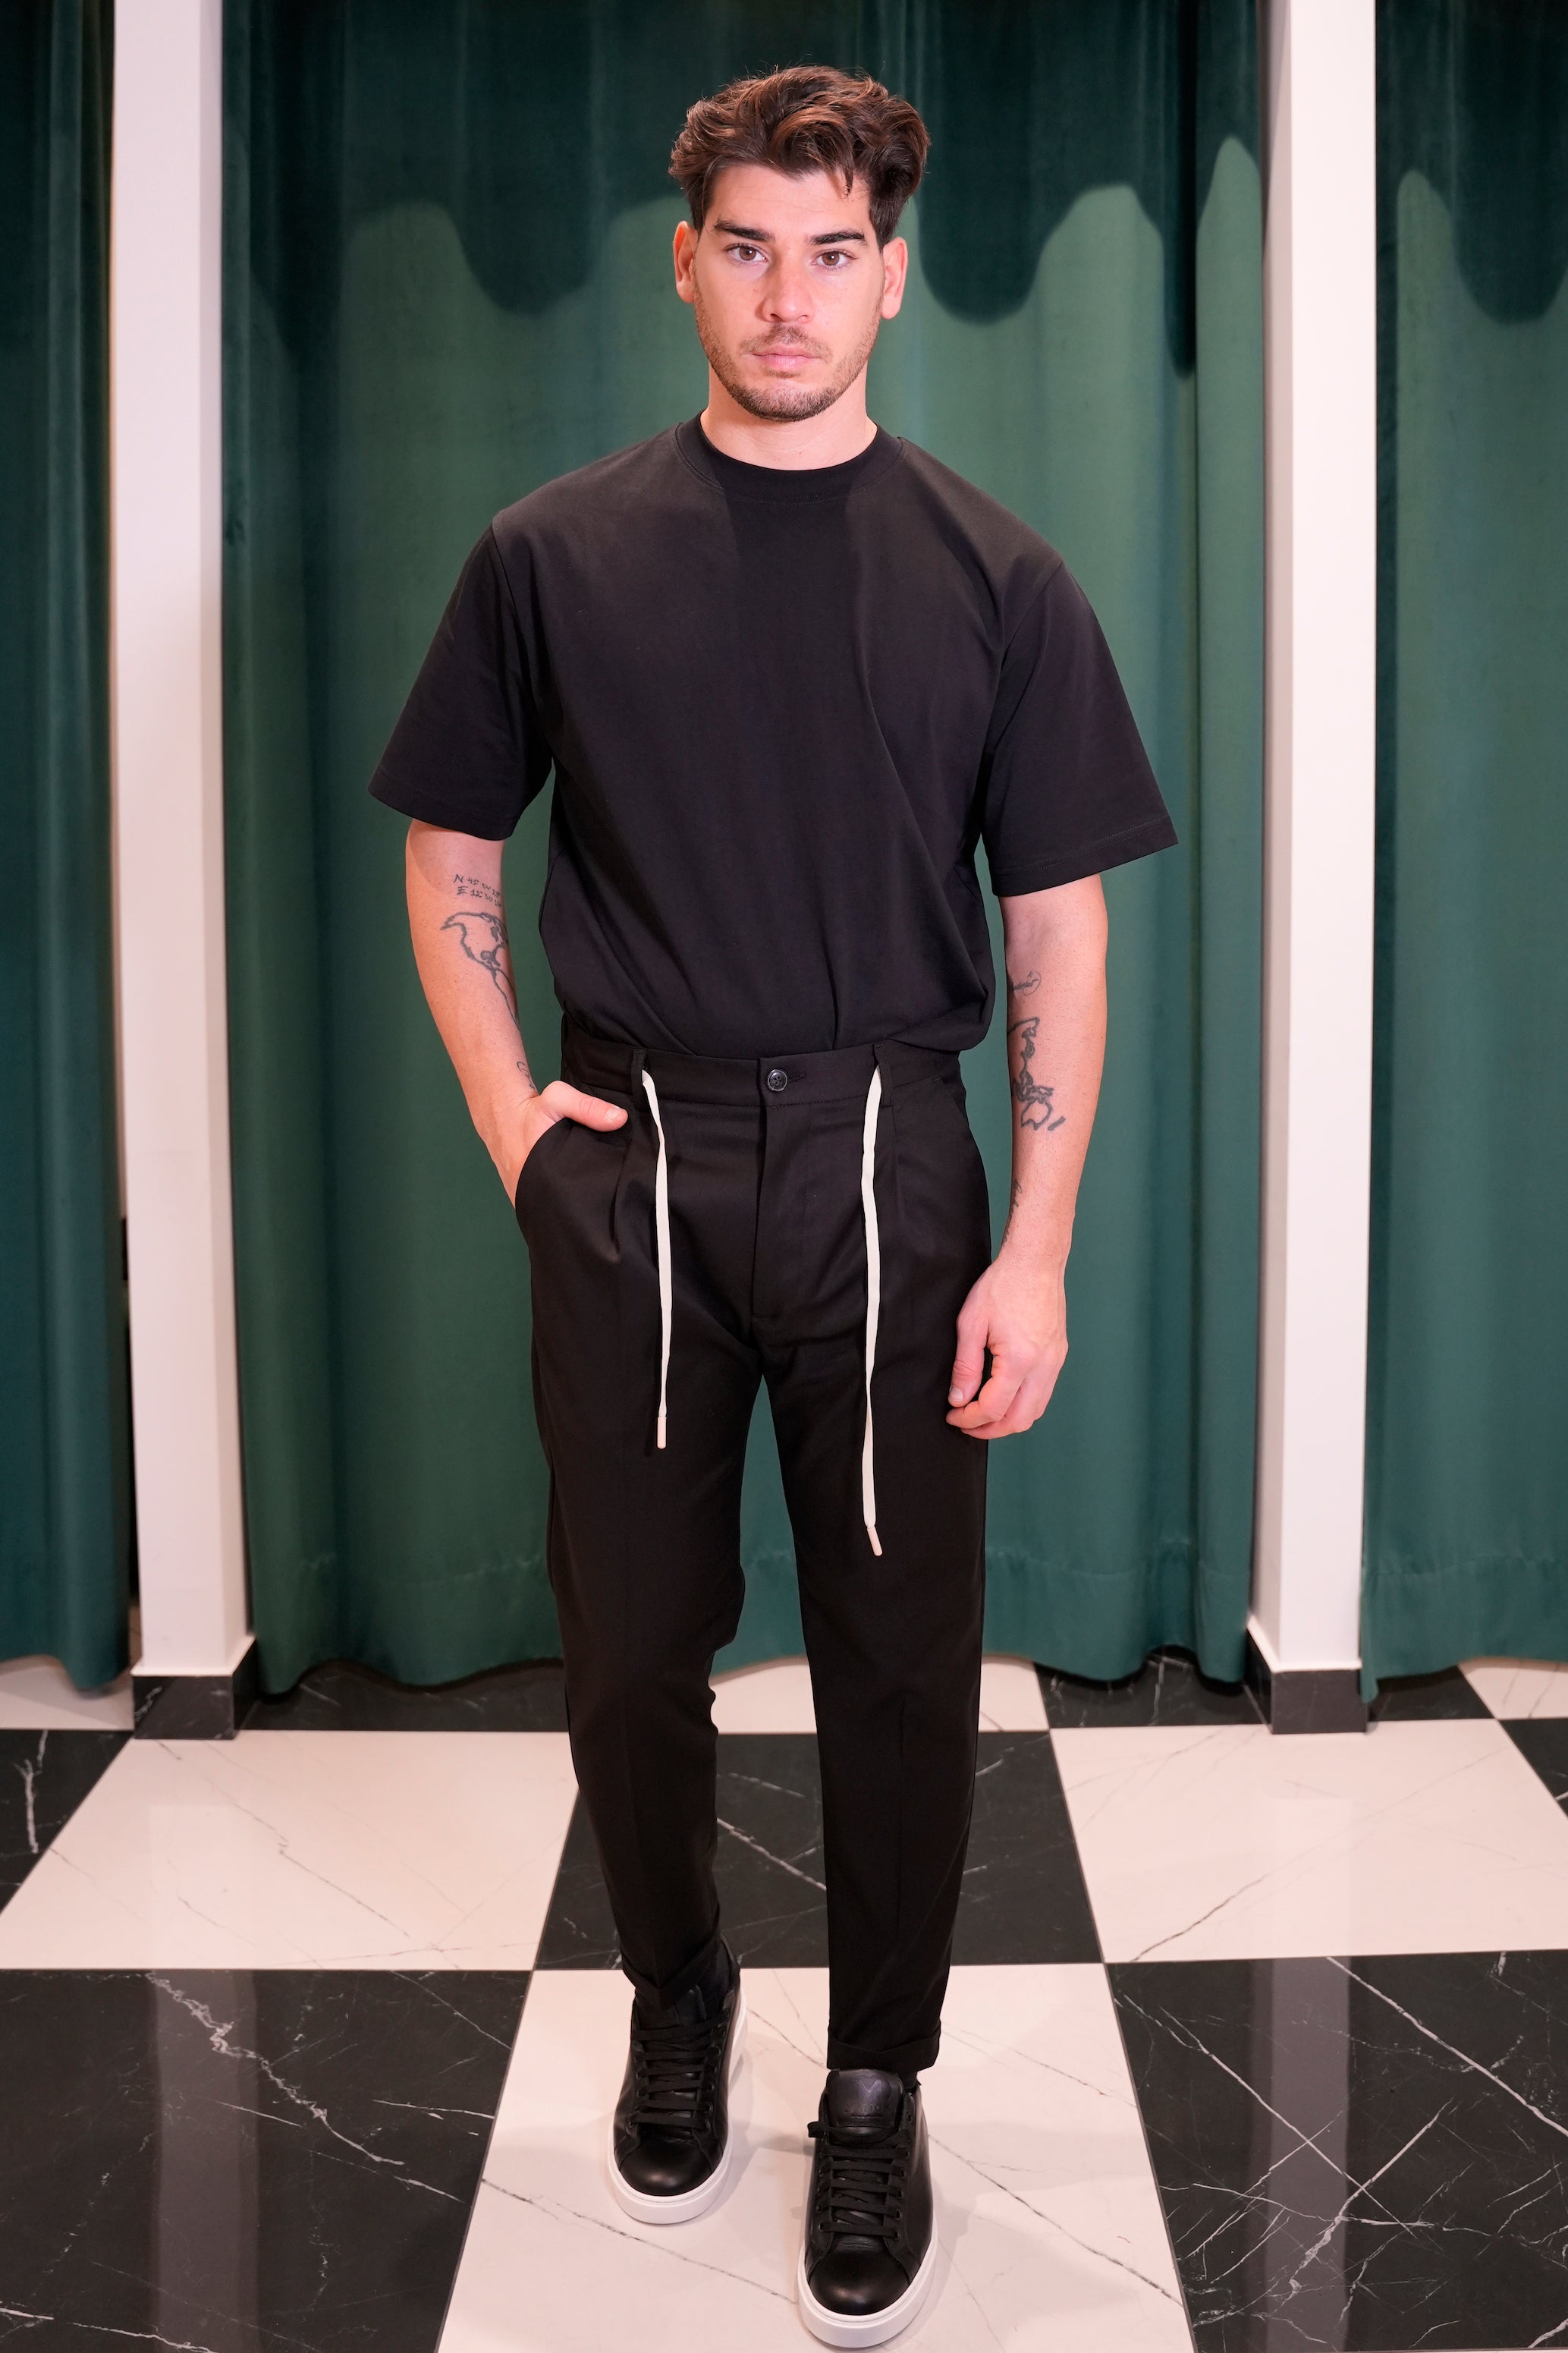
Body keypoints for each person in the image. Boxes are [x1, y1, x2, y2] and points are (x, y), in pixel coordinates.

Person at [370, 64, 1174, 2348]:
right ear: (685, 264)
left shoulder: (996, 576)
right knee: (629, 1644)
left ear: (892, 276)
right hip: (626, 1161)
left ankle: (877, 2076)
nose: (787, 294)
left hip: (889, 1171)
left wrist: (1036, 1243)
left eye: (832, 252)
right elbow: (450, 853)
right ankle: (679, 1991)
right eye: (746, 246)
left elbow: (1057, 932)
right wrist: (517, 1129)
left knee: (899, 1660)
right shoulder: (548, 554)